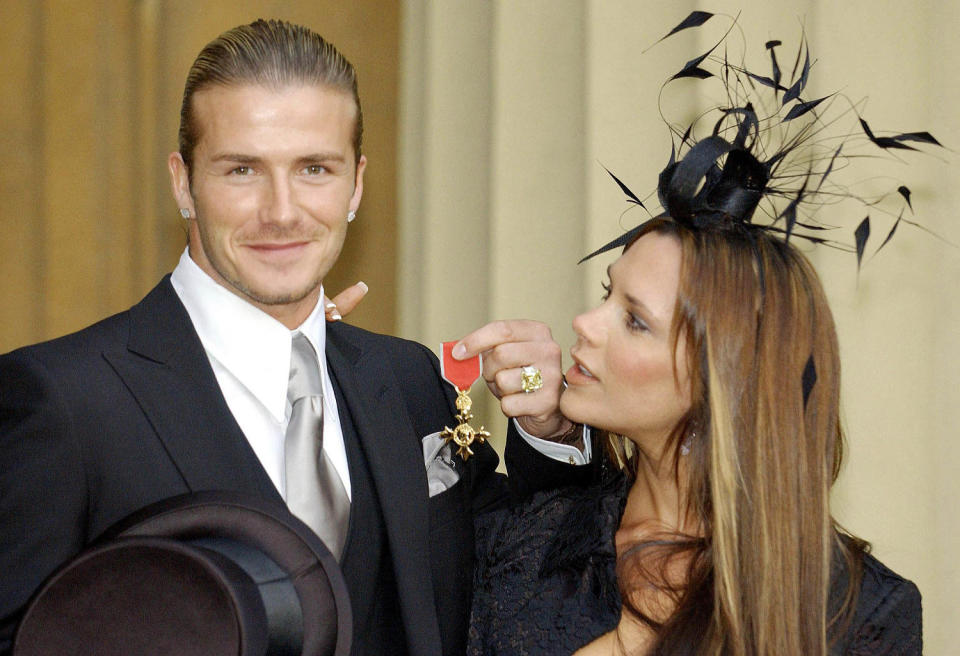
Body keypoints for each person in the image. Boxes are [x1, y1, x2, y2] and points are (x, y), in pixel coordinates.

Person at [0, 19, 576, 656]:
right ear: (183, 183)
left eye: (314, 169)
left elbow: (519, 571)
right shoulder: (62, 400)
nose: (281, 212)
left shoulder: (410, 382)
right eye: (243, 169)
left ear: (356, 184)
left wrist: (551, 434)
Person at [460, 14, 929, 656]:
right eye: (607, 293)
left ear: (724, 379)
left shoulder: (857, 612)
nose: (584, 324)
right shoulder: (521, 545)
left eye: (634, 319)